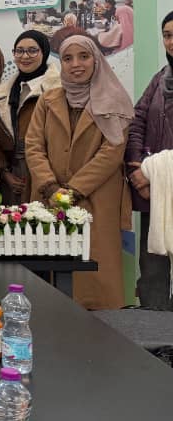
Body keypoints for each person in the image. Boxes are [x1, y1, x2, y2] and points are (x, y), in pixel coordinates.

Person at [26, 35, 134, 310]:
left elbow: (111, 154)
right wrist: (51, 187)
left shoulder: (115, 102)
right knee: (50, 275)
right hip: (50, 199)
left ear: (96, 60)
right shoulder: (48, 100)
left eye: (83, 57)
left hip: (96, 199)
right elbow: (33, 146)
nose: (76, 64)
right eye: (67, 58)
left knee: (95, 274)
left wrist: (73, 191)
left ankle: (98, 331)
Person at [126, 10, 173, 309]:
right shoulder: (160, 79)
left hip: (160, 181)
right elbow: (137, 122)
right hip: (154, 192)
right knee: (153, 271)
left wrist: (155, 171)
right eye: (167, 35)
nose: (172, 41)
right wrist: (138, 172)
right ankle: (153, 333)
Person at [0, 31, 61, 205]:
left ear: (44, 52)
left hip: (48, 174)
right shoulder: (3, 94)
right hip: (13, 177)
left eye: (32, 50)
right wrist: (5, 172)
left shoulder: (58, 90)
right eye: (19, 51)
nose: (25, 56)